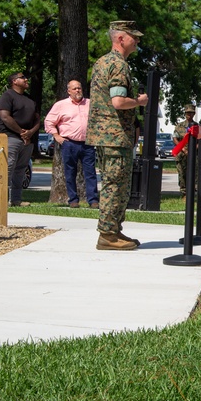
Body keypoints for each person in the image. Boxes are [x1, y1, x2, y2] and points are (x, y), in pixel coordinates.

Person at [87, 20, 148, 251]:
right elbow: (119, 102)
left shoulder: (103, 61)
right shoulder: (118, 65)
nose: (138, 40)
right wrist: (140, 102)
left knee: (116, 183)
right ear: (121, 38)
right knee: (116, 185)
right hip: (114, 135)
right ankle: (108, 235)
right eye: (134, 36)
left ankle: (114, 229)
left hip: (108, 135)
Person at [43, 79, 99, 208]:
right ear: (69, 91)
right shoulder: (60, 105)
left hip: (88, 143)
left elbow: (98, 120)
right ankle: (73, 200)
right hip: (69, 143)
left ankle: (93, 200)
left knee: (90, 173)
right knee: (70, 173)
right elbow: (49, 121)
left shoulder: (90, 104)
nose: (78, 90)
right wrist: (56, 136)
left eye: (79, 88)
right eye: (74, 88)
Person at [0, 71, 40, 208]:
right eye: (23, 78)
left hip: (27, 140)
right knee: (7, 168)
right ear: (14, 81)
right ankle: (2, 200)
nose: (26, 79)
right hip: (10, 138)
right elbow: (5, 117)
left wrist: (30, 133)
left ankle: (16, 200)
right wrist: (21, 132)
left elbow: (38, 119)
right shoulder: (7, 96)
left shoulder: (30, 99)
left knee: (21, 169)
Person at [173, 105, 197, 196]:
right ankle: (183, 192)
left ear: (194, 114)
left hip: (193, 153)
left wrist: (194, 148)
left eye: (191, 113)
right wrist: (183, 149)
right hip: (182, 154)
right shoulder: (179, 126)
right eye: (187, 113)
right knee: (182, 173)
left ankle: (192, 192)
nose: (189, 115)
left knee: (194, 173)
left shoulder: (197, 126)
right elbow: (175, 138)